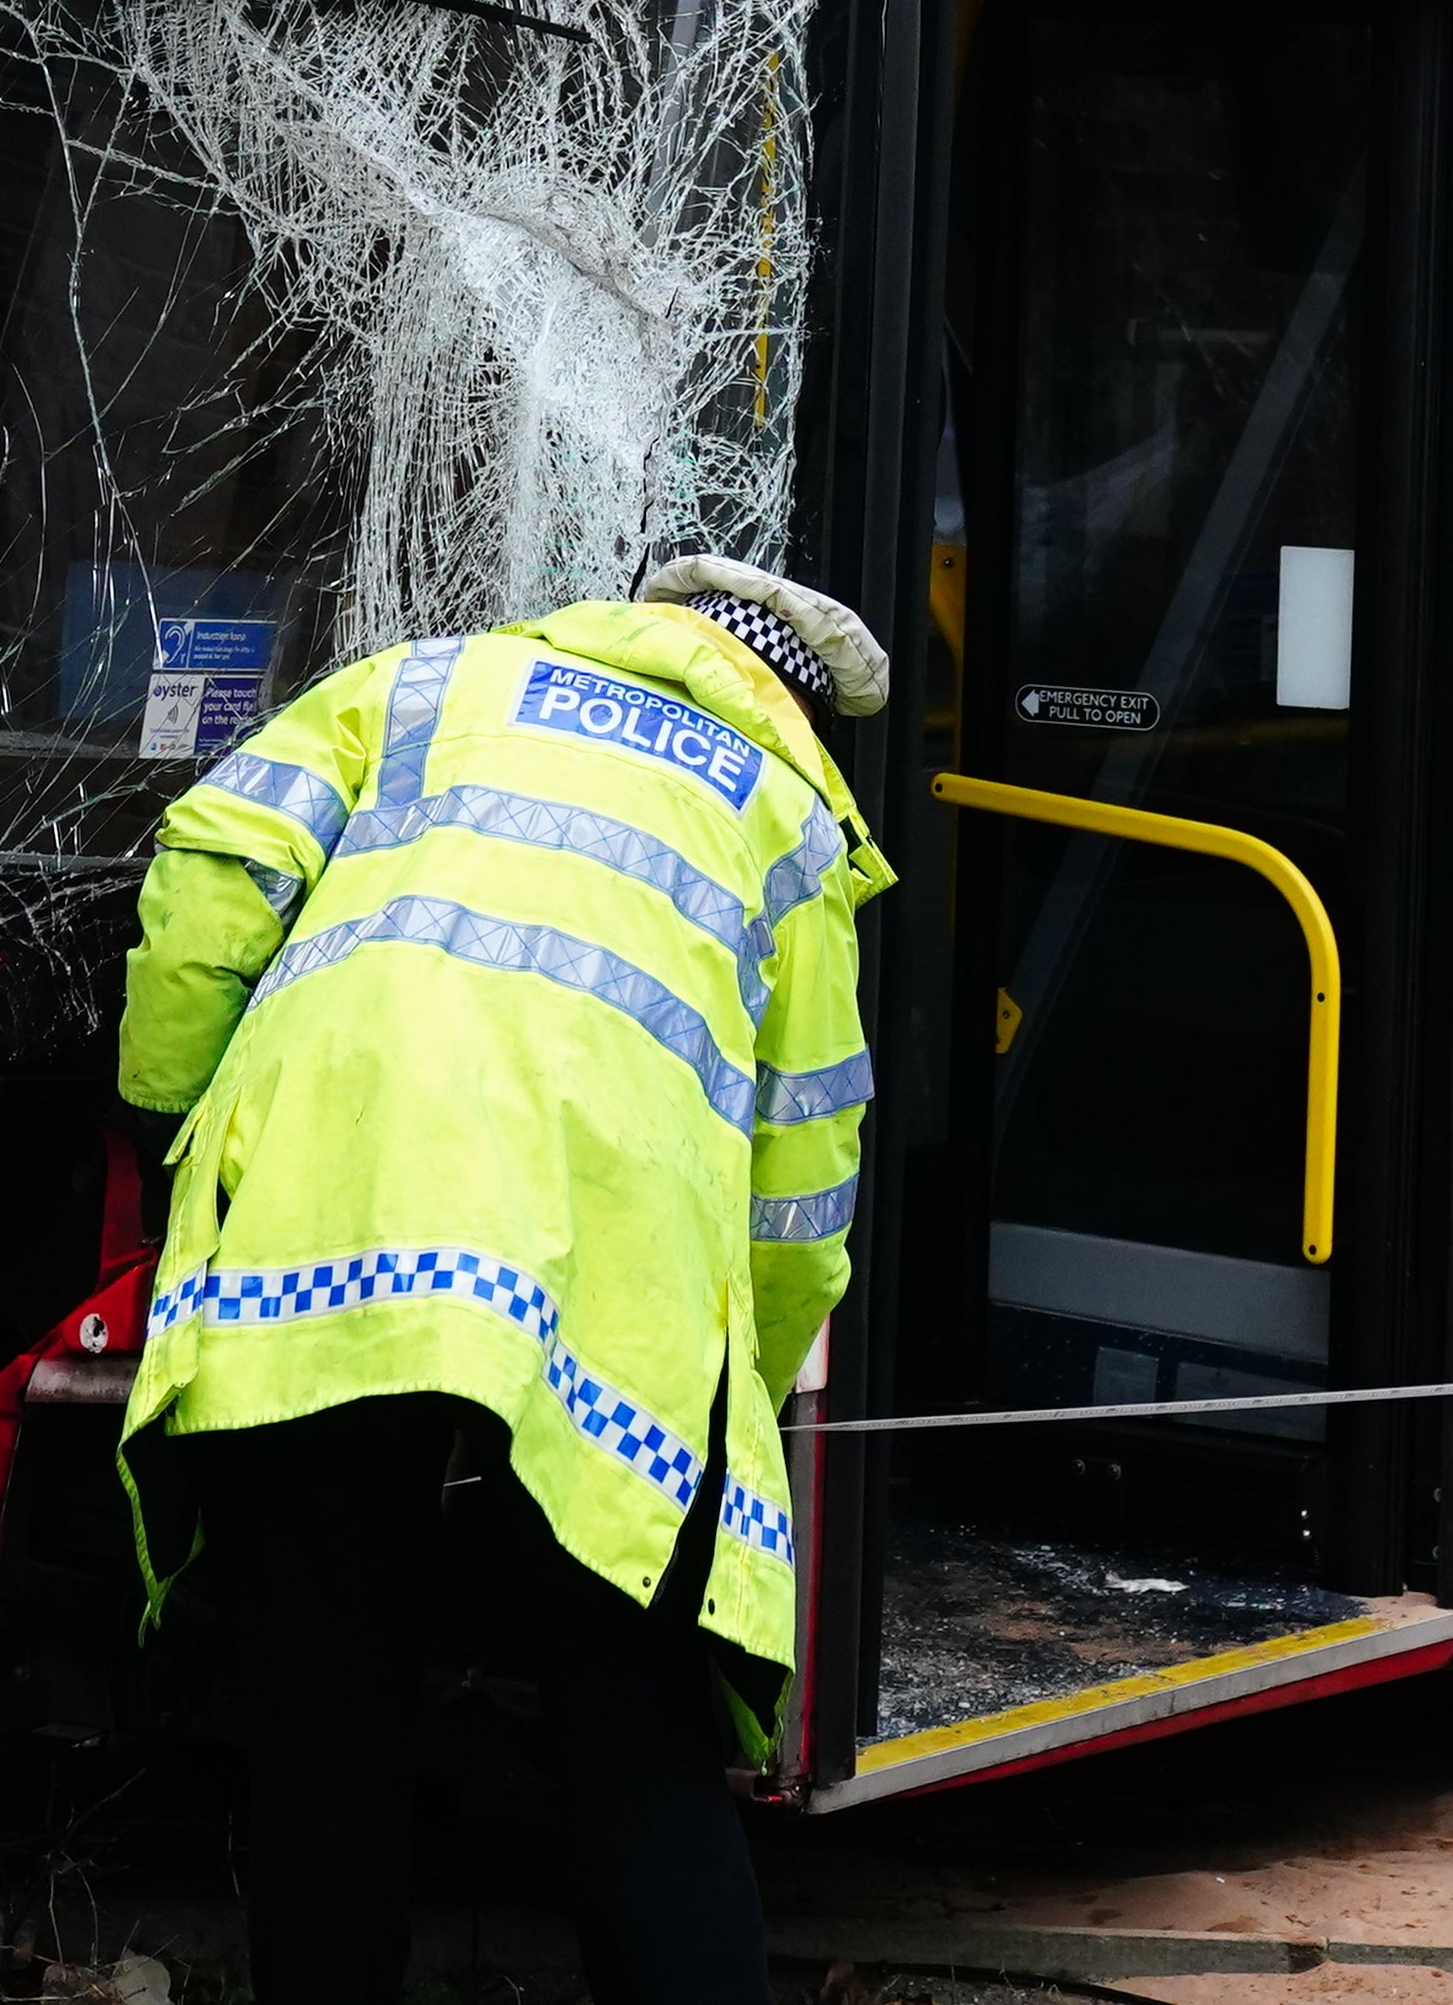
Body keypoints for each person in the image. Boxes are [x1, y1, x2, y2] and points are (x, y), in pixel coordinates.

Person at [113, 554, 895, 2005]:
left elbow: (213, 867)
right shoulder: (786, 821)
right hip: (604, 1327)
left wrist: (169, 1124)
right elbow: (803, 1187)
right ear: (790, 702)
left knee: (324, 1733)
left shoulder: (421, 685)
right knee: (634, 1738)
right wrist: (746, 1393)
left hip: (320, 1250)